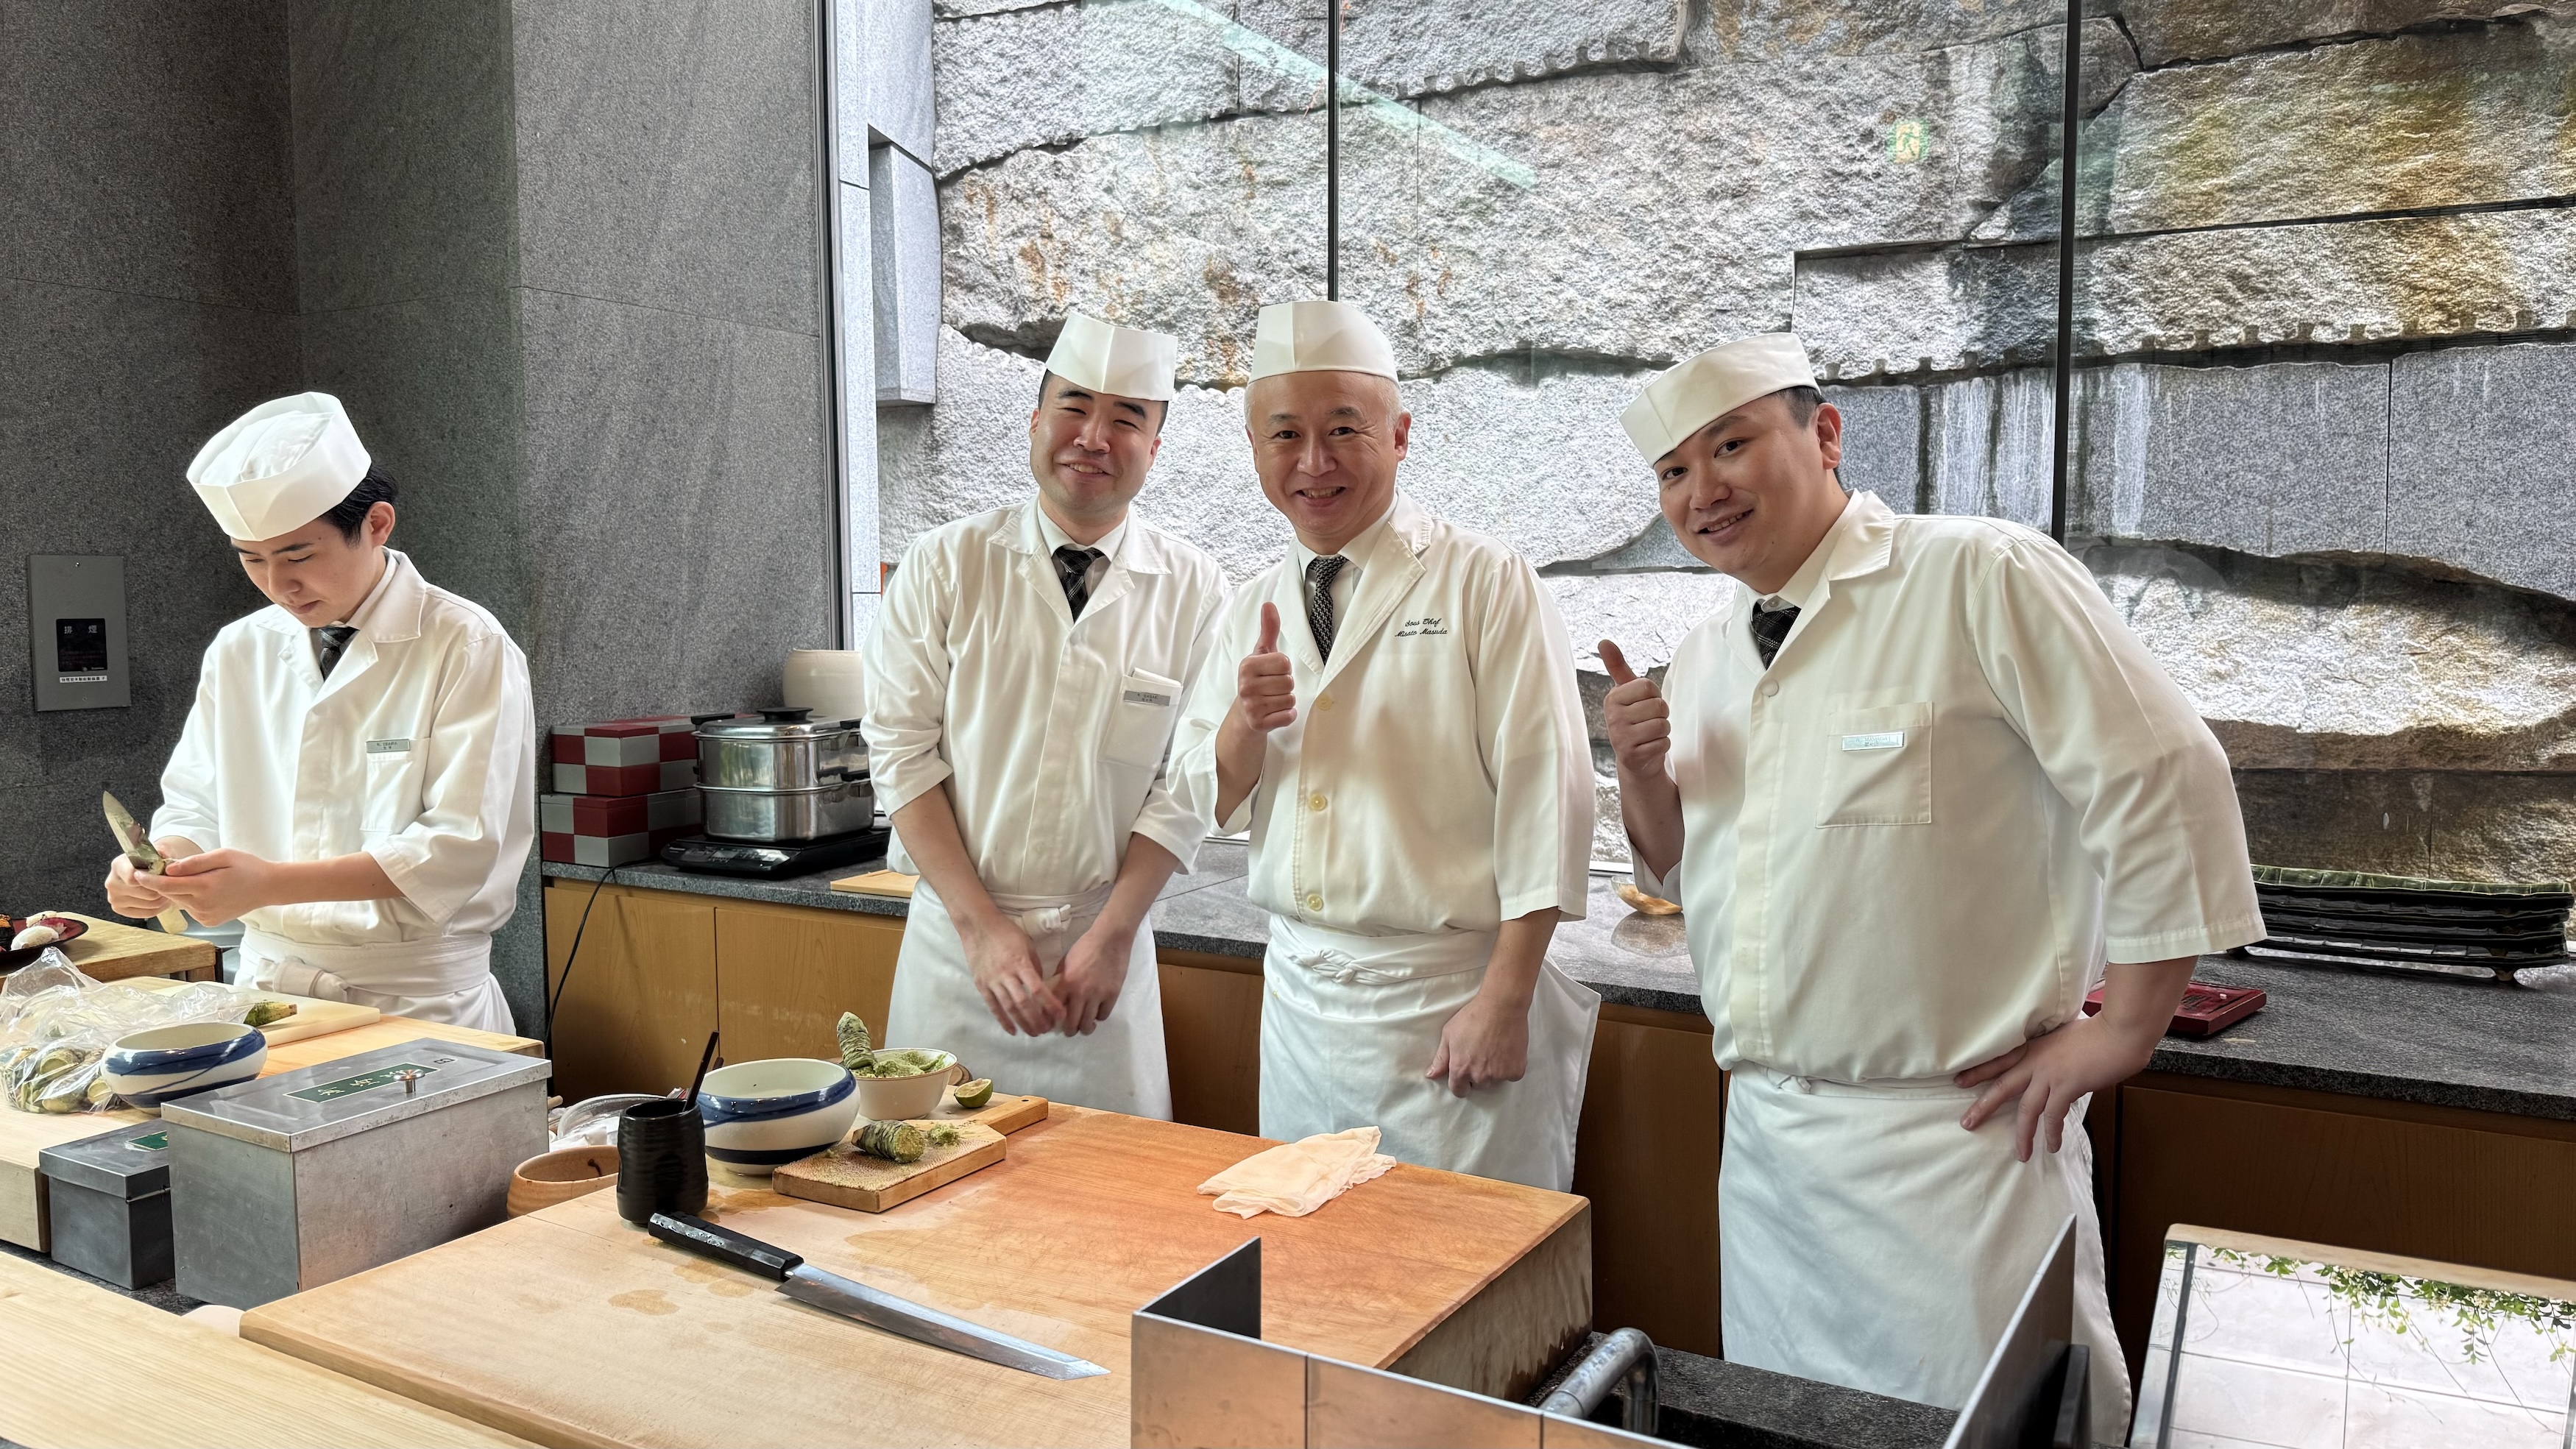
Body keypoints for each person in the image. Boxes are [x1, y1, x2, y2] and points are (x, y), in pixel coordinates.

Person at [1599, 333, 2264, 1417]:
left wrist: (2128, 1024)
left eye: (1729, 446)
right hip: (1772, 1152)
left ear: (1824, 434)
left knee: (1985, 1425)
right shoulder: (1708, 651)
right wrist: (1639, 769)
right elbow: (1679, 858)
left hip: (1957, 1148)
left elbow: (2165, 770)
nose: (1701, 490)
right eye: (1673, 472)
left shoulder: (1977, 572)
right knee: (1798, 1427)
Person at [1168, 300, 1598, 1190]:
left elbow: (1545, 794)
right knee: (1312, 1281)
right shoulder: (1251, 605)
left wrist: (1505, 999)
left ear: (1399, 435)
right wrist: (1244, 723)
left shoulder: (1485, 580)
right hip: (1300, 1004)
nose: (1312, 462)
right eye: (1284, 433)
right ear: (1253, 448)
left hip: (1448, 1002)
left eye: (1343, 430)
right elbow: (1202, 799)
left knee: (1461, 1286)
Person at [865, 313, 1227, 1118]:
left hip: (1102, 960)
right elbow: (901, 754)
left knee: (1107, 1214)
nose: (1093, 437)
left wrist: (1115, 933)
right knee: (935, 1204)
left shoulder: (1195, 588)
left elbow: (1188, 778)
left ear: (1155, 448)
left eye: (1126, 418)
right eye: (1073, 407)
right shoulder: (945, 564)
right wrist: (981, 929)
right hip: (957, 954)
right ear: (1034, 421)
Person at [107, 392, 537, 1031]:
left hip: (418, 1002)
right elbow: (196, 799)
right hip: (266, 998)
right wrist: (163, 863)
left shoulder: (466, 643)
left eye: (299, 555)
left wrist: (270, 883)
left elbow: (455, 848)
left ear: (378, 524)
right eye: (252, 559)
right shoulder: (240, 648)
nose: (279, 585)